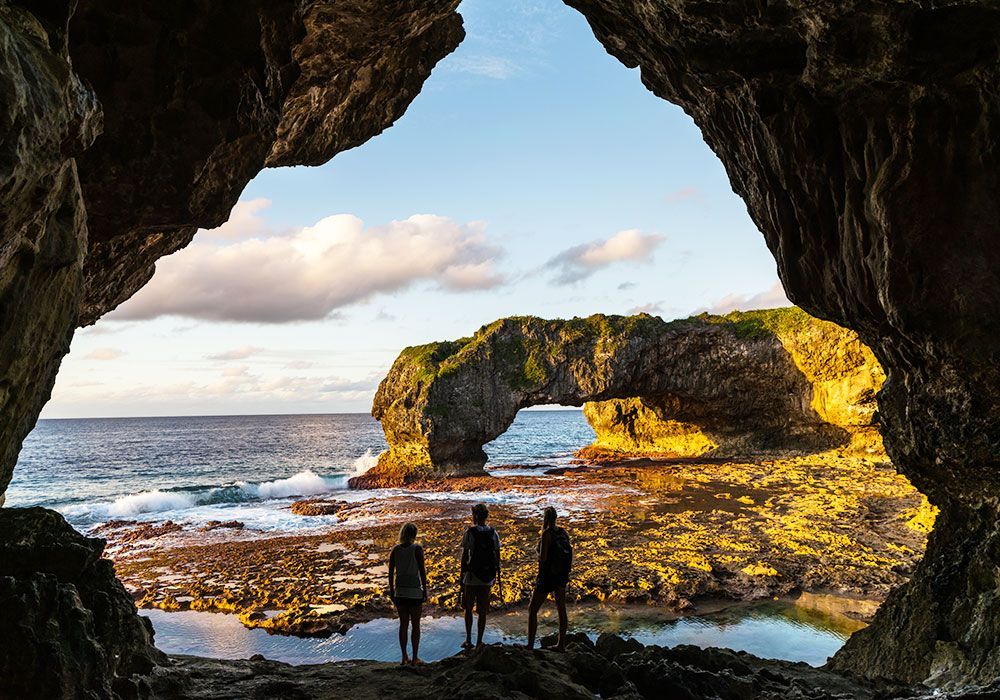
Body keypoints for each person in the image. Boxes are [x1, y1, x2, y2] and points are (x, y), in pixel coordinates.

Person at [527, 506, 572, 651]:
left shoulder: (546, 534)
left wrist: (537, 551)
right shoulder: (563, 532)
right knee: (561, 609)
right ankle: (561, 644)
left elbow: (544, 557)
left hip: (547, 577)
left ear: (546, 518)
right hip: (561, 575)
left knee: (532, 609)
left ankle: (530, 645)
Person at [460, 502, 501, 650]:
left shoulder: (470, 532)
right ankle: (479, 641)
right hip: (487, 576)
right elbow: (497, 553)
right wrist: (496, 573)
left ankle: (469, 639)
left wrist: (462, 575)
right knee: (482, 611)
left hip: (472, 576)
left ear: (475, 516)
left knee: (468, 608)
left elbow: (465, 556)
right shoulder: (493, 532)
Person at [388, 522, 428, 665]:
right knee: (415, 625)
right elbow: (422, 571)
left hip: (400, 591)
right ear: (414, 535)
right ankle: (415, 657)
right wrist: (425, 589)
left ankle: (404, 657)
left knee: (403, 625)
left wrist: (392, 591)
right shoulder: (417, 549)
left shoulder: (395, 550)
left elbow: (391, 572)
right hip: (415, 591)